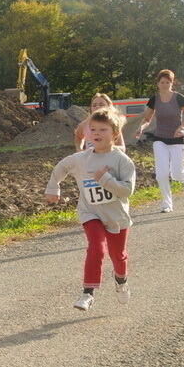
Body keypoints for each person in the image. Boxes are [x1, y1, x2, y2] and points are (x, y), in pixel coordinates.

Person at [45, 107, 135, 311]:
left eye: (103, 130)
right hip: (90, 212)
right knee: (96, 248)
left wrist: (105, 179)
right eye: (93, 129)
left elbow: (127, 190)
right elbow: (61, 167)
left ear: (115, 133)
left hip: (116, 217)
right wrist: (53, 187)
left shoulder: (122, 161)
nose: (96, 134)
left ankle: (121, 281)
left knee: (118, 256)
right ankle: (88, 293)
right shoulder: (81, 158)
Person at [135, 69, 184, 213]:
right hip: (160, 139)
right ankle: (166, 203)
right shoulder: (154, 100)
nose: (165, 85)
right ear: (158, 84)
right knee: (161, 173)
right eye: (162, 82)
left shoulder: (178, 98)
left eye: (167, 82)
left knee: (176, 174)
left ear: (172, 83)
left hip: (177, 139)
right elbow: (147, 119)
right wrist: (141, 128)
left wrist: (182, 127)